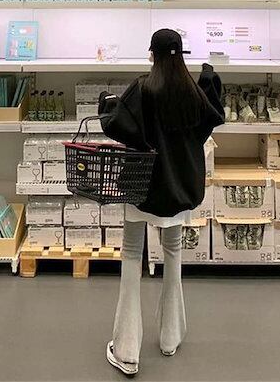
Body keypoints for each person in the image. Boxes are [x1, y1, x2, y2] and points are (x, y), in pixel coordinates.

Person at [98, 29, 225, 376]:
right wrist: (209, 77)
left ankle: (126, 351)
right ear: (181, 54)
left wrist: (107, 102)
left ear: (151, 54)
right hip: (180, 189)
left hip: (142, 187)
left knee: (131, 256)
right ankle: (170, 337)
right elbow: (212, 118)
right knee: (173, 255)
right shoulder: (193, 93)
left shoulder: (142, 89)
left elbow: (117, 125)